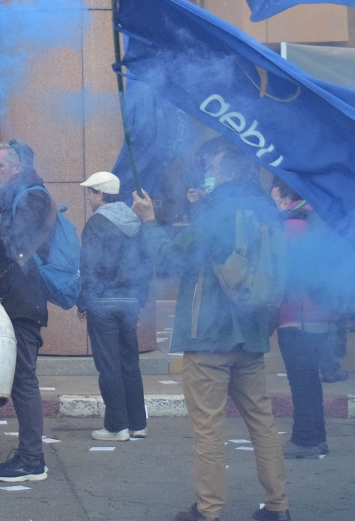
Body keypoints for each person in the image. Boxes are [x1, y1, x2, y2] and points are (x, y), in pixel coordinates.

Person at [133, 137, 290, 521]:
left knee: (208, 427)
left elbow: (172, 257)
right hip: (251, 333)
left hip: (208, 336)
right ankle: (278, 506)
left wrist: (149, 221)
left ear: (231, 170)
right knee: (262, 423)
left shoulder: (219, 209)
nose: (208, 172)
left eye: (214, 165)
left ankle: (209, 510)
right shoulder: (265, 208)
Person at [0, 139, 56, 482]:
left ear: (18, 167)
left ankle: (32, 461)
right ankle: (28, 456)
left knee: (24, 380)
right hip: (17, 298)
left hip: (24, 301)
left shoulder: (34, 197)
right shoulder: (18, 195)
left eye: (0, 165)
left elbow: (16, 244)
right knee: (18, 379)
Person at [78, 171, 150, 442]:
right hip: (130, 302)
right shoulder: (135, 222)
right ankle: (137, 424)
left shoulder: (96, 223)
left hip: (102, 303)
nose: (88, 198)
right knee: (130, 363)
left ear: (100, 193)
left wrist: (83, 301)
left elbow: (88, 266)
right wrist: (140, 301)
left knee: (108, 366)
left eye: (90, 192)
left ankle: (116, 426)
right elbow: (145, 263)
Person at [271, 178, 335, 459]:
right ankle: (318, 436)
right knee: (312, 379)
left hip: (296, 315)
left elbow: (281, 272)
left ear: (286, 197)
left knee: (301, 382)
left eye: (274, 197)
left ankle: (304, 438)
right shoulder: (320, 220)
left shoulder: (290, 226)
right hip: (324, 314)